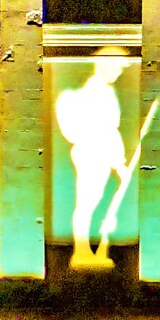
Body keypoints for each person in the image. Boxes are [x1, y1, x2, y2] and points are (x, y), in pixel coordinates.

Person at [55, 47, 133, 268]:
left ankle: (86, 250)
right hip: (93, 152)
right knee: (87, 202)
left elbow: (110, 131)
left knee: (91, 201)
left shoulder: (102, 90)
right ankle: (81, 252)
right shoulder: (99, 91)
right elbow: (106, 130)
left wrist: (118, 163)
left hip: (97, 152)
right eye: (116, 67)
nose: (118, 72)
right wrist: (119, 163)